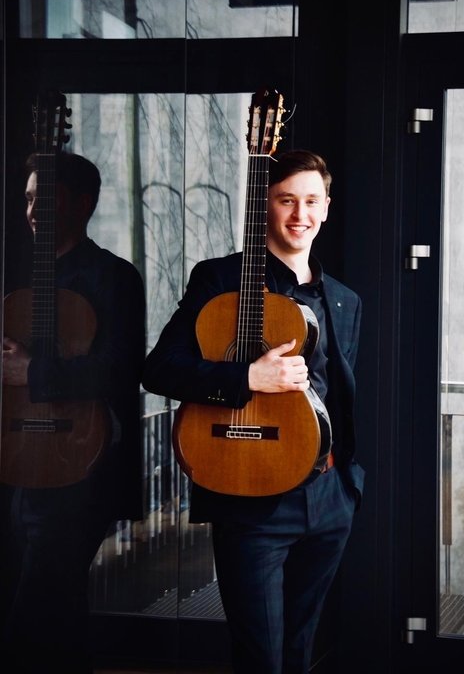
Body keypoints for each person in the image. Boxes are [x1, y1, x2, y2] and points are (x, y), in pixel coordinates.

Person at [142, 148, 364, 674]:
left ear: (327, 207)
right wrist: (246, 378)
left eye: (311, 201)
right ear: (265, 205)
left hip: (329, 497)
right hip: (250, 497)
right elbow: (159, 370)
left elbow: (340, 396)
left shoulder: (343, 300)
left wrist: (349, 487)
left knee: (300, 649)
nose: (299, 215)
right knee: (260, 658)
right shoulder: (219, 279)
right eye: (286, 200)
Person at [0, 151, 146, 674]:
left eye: (46, 196)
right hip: (19, 466)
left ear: (82, 204)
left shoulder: (114, 278)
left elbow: (118, 371)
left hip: (83, 466)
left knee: (32, 615)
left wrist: (32, 372)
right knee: (59, 613)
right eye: (28, 197)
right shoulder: (14, 276)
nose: (33, 207)